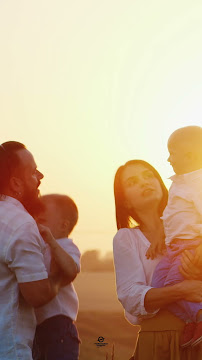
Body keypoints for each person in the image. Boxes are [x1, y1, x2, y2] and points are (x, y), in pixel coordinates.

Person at [113, 159, 202, 360]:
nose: (144, 182)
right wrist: (183, 289)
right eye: (132, 182)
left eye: (148, 176)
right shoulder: (127, 238)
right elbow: (131, 297)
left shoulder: (196, 225)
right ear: (125, 201)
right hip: (158, 339)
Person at [0, 141, 64, 360]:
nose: (41, 176)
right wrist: (58, 278)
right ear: (16, 183)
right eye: (33, 172)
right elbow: (36, 295)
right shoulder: (19, 224)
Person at [151, 126, 202, 348]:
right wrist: (160, 236)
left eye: (172, 152)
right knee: (157, 288)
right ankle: (191, 320)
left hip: (190, 245)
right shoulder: (178, 182)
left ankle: (199, 317)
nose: (168, 158)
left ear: (189, 155)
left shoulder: (197, 182)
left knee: (172, 285)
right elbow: (171, 215)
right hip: (173, 246)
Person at [32, 194, 81, 360]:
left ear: (63, 226)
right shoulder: (39, 247)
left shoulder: (66, 246)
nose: (37, 225)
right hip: (37, 326)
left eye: (42, 220)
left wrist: (53, 243)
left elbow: (71, 270)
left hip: (59, 324)